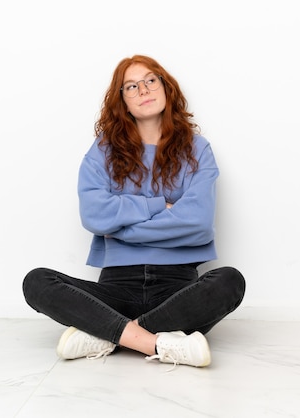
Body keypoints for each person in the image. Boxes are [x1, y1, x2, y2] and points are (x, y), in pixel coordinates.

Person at [22, 55, 246, 368]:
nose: (143, 89)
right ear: (123, 101)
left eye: (150, 80)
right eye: (131, 86)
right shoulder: (103, 151)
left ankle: (108, 332)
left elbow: (197, 222)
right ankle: (155, 342)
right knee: (37, 282)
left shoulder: (197, 149)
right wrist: (159, 206)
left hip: (176, 289)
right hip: (116, 287)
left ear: (166, 88)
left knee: (230, 281)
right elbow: (94, 216)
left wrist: (120, 227)